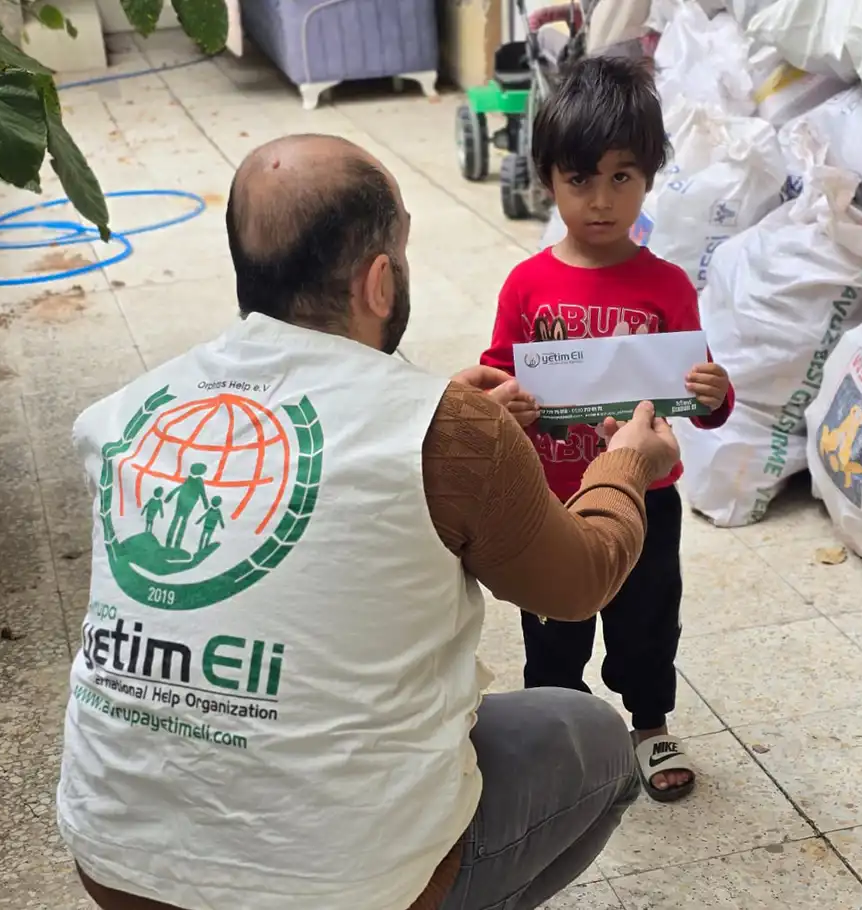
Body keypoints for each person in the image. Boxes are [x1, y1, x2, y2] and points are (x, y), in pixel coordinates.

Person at [57, 133, 682, 910]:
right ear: (380, 281)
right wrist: (624, 466)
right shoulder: (447, 432)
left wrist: (454, 430)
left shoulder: (127, 414)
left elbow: (318, 445)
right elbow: (579, 583)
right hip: (345, 889)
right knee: (589, 739)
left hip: (117, 866)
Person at [481, 56, 733, 804]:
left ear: (649, 176)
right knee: (553, 628)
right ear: (548, 179)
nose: (600, 200)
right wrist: (506, 400)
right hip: (547, 500)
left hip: (647, 495)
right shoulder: (527, 284)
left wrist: (714, 393)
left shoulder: (665, 285)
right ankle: (557, 736)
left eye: (622, 177)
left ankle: (649, 726)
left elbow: (701, 395)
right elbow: (496, 373)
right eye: (579, 178)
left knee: (646, 620)